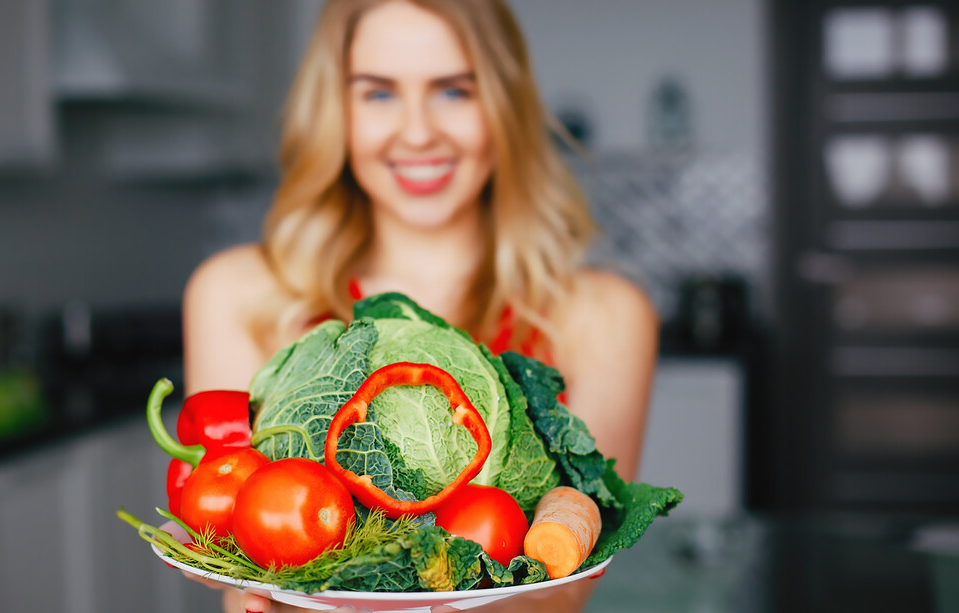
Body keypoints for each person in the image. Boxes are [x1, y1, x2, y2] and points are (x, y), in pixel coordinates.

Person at [181, 1, 658, 611]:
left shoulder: (606, 318)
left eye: (454, 91)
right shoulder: (239, 296)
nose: (417, 132)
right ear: (337, 112)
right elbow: (243, 560)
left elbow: (559, 596)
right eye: (378, 94)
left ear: (504, 106)